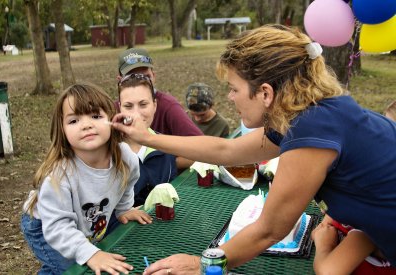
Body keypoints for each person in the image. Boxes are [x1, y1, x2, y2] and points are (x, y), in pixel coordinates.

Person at [111, 24, 396, 274]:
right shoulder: (310, 114)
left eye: (234, 88)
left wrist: (203, 265)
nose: (230, 97)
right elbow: (226, 150)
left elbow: (271, 229)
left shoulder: (312, 129)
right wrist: (147, 137)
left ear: (265, 92)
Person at [20, 83, 152, 275]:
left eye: (96, 116)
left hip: (84, 222)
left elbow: (128, 182)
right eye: (74, 121)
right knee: (73, 269)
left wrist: (124, 209)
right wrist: (91, 255)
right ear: (62, 130)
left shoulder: (124, 157)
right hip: (47, 226)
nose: (86, 124)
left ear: (112, 120)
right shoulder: (59, 176)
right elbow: (58, 227)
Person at [118, 73, 177, 206]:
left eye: (143, 104)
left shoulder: (166, 145)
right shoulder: (109, 151)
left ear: (154, 106)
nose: (136, 114)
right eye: (128, 106)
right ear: (119, 107)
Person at [118, 48, 203, 137]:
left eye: (146, 77)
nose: (141, 83)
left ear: (154, 76)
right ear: (119, 80)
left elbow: (200, 143)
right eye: (132, 78)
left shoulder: (169, 106)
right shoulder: (112, 111)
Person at [312, 214, 396, 274]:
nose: (322, 211)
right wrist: (324, 225)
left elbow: (327, 272)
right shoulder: (350, 204)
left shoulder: (365, 230)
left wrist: (324, 245)